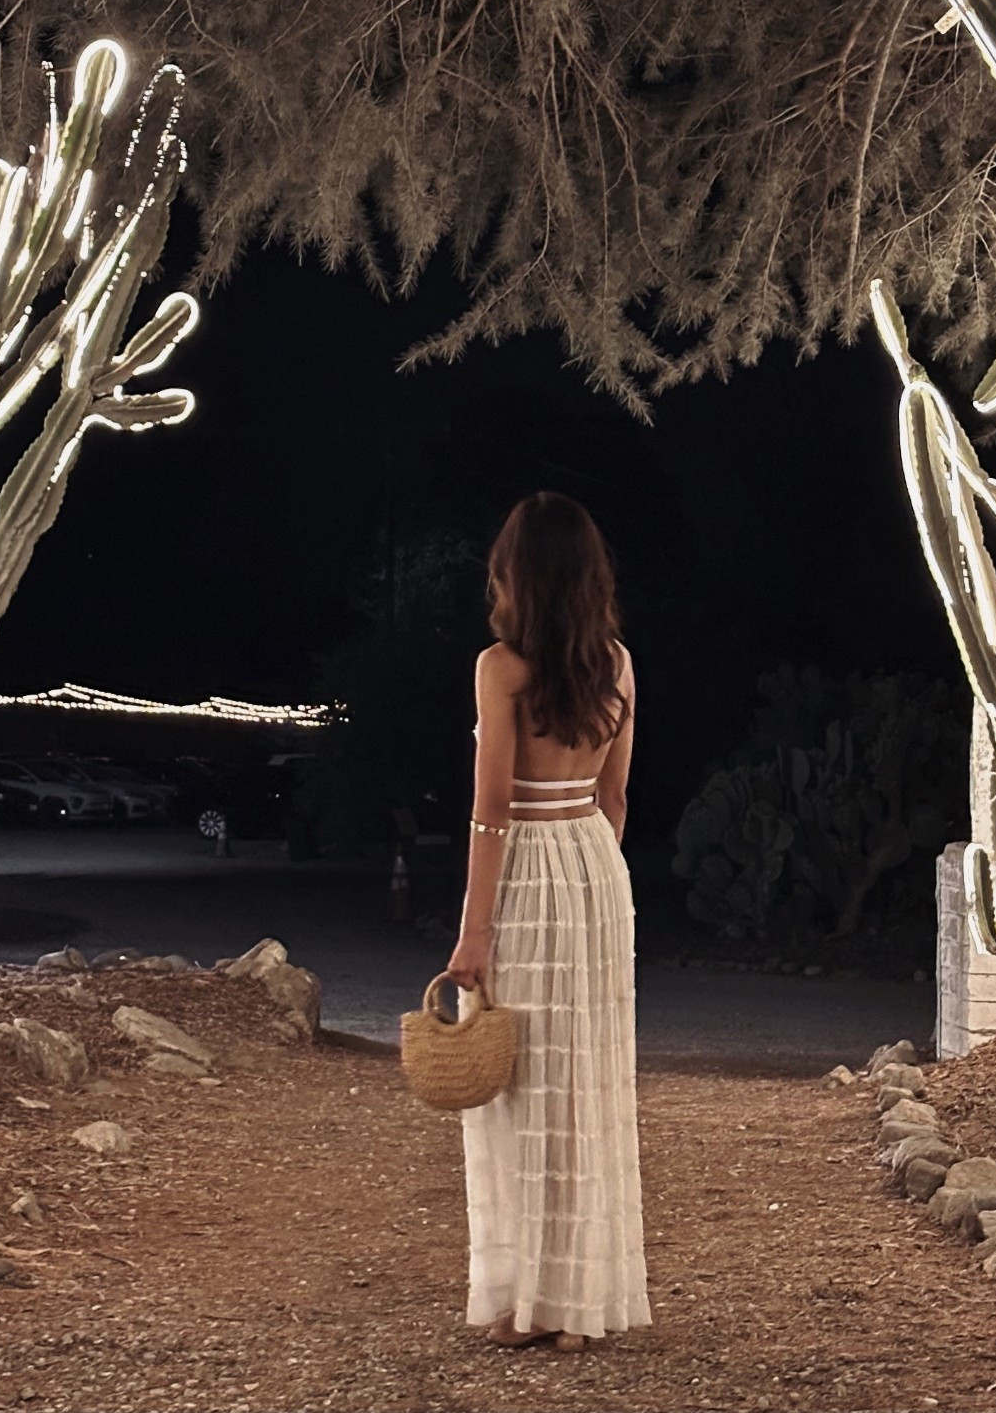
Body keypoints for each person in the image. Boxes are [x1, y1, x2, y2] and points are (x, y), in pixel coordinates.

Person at [447, 492, 651, 1351]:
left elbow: (491, 809)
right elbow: (615, 799)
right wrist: (590, 876)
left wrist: (474, 931)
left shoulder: (501, 668)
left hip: (527, 867)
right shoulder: (619, 664)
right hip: (595, 871)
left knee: (518, 1086)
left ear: (516, 578)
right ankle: (578, 1307)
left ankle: (525, 1298)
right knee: (586, 1081)